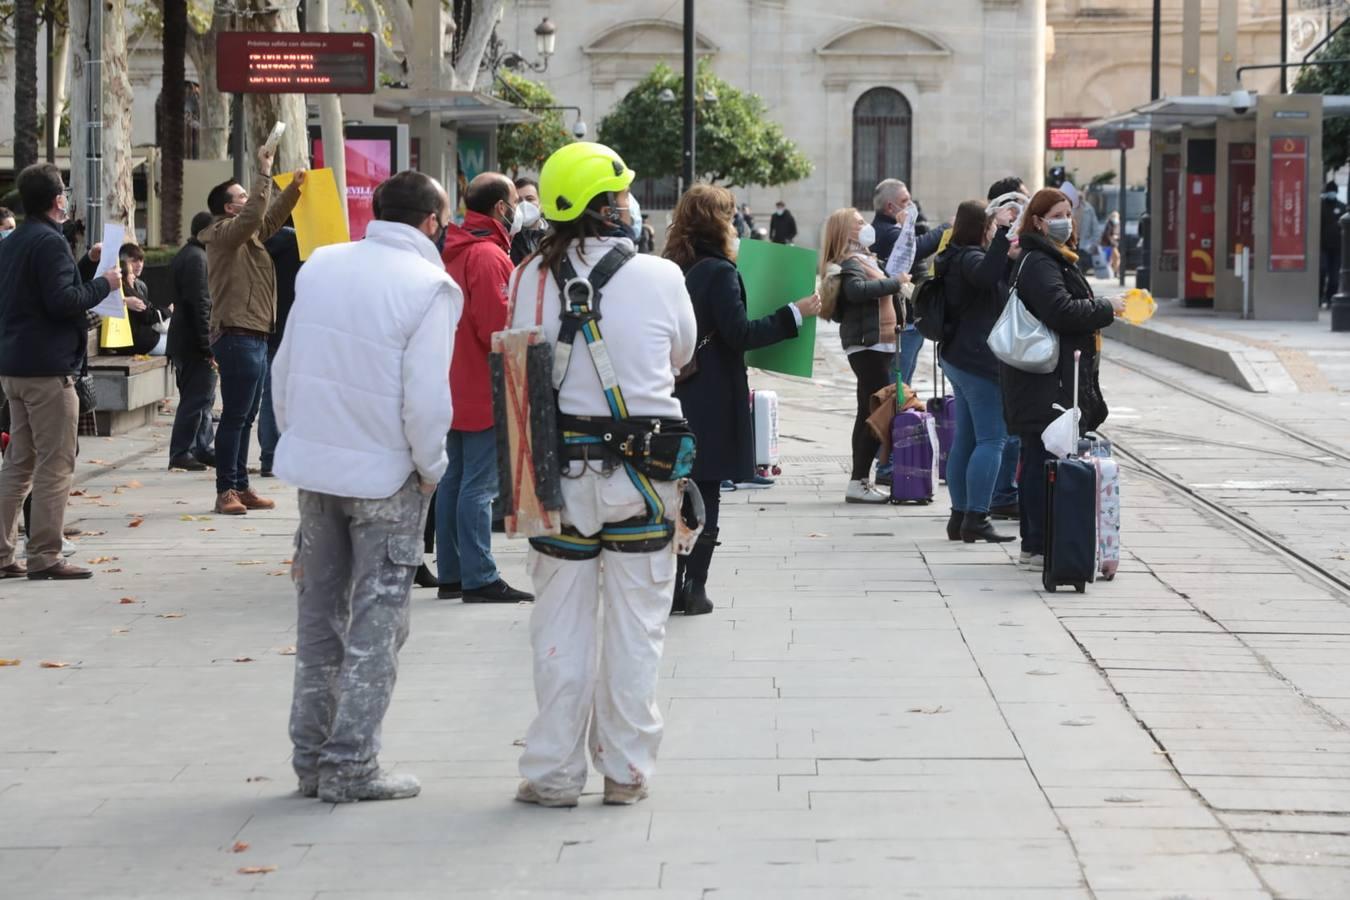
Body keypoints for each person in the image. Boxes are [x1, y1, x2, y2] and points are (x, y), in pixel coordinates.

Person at [510, 142, 695, 808]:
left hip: (555, 479)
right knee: (635, 626)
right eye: (621, 193)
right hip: (642, 476)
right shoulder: (659, 275)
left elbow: (517, 364)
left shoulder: (526, 275)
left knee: (557, 624)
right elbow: (682, 353)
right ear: (608, 205)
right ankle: (625, 771)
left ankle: (553, 774)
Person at [271, 169, 462, 804]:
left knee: (319, 620)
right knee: (377, 627)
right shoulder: (431, 286)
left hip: (316, 469)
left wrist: (297, 438)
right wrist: (430, 468)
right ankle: (352, 766)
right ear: (431, 222)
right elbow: (428, 399)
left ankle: (310, 760)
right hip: (386, 475)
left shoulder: (322, 264)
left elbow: (286, 364)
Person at [665, 184, 819, 616]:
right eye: (728, 215)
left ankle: (676, 587)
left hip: (682, 390)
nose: (734, 223)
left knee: (684, 490)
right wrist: (795, 313)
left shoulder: (678, 265)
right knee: (707, 491)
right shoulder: (718, 271)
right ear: (719, 222)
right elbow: (740, 334)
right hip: (712, 391)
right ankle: (694, 589)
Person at [0, 162, 120, 581]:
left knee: (18, 462)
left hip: (16, 366)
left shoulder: (14, 241)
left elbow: (46, 291)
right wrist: (105, 283)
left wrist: (86, 265)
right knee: (55, 463)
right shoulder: (49, 243)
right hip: (48, 372)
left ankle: (2, 554)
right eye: (64, 193)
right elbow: (62, 302)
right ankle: (46, 555)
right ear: (57, 200)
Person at [1001, 189, 1124, 570]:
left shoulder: (1053, 258)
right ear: (1037, 220)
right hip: (1043, 380)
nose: (1066, 220)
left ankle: (1037, 543)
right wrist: (1106, 307)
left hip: (1047, 377)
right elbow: (1060, 310)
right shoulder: (1040, 261)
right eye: (1057, 213)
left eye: (1069, 212)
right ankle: (1036, 545)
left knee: (1040, 457)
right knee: (1040, 459)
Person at [437, 172, 534, 604]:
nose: (520, 208)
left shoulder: (453, 248)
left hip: (453, 379)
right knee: (479, 485)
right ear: (500, 207)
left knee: (455, 480)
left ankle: (454, 572)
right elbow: (497, 327)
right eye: (515, 200)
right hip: (482, 382)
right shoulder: (489, 255)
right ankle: (479, 576)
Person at [199, 146, 303, 516]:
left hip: (256, 332)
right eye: (241, 196)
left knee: (245, 416)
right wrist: (264, 172)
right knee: (235, 415)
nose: (249, 199)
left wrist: (294, 189)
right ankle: (226, 488)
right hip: (237, 332)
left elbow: (269, 219)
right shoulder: (224, 233)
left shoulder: (249, 236)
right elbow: (257, 215)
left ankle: (241, 485)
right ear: (229, 208)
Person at [935, 200, 1018, 544]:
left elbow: (991, 278)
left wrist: (1003, 253)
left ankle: (959, 517)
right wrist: (1002, 235)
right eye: (989, 227)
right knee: (991, 440)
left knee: (966, 440)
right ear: (981, 228)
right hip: (978, 360)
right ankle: (977, 518)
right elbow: (986, 277)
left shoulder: (952, 256)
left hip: (958, 357)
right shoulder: (970, 258)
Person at [821, 207, 906, 504]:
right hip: (866, 344)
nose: (866, 225)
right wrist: (895, 283)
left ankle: (859, 481)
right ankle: (859, 481)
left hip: (879, 344)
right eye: (859, 223)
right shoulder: (849, 262)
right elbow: (856, 291)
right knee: (877, 410)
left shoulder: (866, 258)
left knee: (866, 411)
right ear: (846, 232)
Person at [985, 177, 1031, 521]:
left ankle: (997, 492)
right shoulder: (997, 245)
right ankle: (1002, 493)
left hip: (1006, 340)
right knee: (1007, 428)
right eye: (1017, 205)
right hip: (1004, 343)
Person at [880, 182, 946, 388]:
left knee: (904, 382)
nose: (910, 205)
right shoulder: (889, 232)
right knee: (898, 386)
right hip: (904, 322)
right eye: (904, 202)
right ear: (890, 207)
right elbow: (917, 249)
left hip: (912, 318)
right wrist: (945, 228)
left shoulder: (901, 229)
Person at [166, 211, 217, 472]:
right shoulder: (197, 259)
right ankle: (181, 451)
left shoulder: (192, 254)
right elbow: (200, 305)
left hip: (187, 341)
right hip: (193, 344)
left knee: (203, 398)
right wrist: (207, 346)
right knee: (196, 399)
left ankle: (202, 447)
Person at [257, 225, 301, 478]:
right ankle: (277, 454)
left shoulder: (263, 246)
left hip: (266, 325)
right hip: (291, 326)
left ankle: (270, 455)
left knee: (269, 393)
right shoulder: (301, 247)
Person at [510, 176, 546, 265]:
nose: (524, 204)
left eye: (530, 199)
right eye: (518, 201)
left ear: (540, 202)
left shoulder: (555, 235)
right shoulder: (509, 238)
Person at [1320, 182, 1345, 308]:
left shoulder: (1342, 207)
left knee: (1334, 276)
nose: (1332, 193)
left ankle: (1330, 299)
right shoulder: (1321, 207)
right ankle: (1319, 297)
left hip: (1337, 248)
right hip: (1323, 246)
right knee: (1322, 270)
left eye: (1333, 191)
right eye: (1330, 191)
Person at [1100, 211, 1121, 279]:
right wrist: (1113, 238)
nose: (1116, 218)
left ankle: (1114, 272)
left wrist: (1116, 236)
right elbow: (1107, 235)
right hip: (1109, 244)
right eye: (1114, 216)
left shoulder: (1117, 224)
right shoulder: (1109, 224)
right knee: (1116, 257)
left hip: (1113, 244)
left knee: (1112, 259)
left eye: (1117, 216)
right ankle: (1115, 272)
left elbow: (1118, 233)